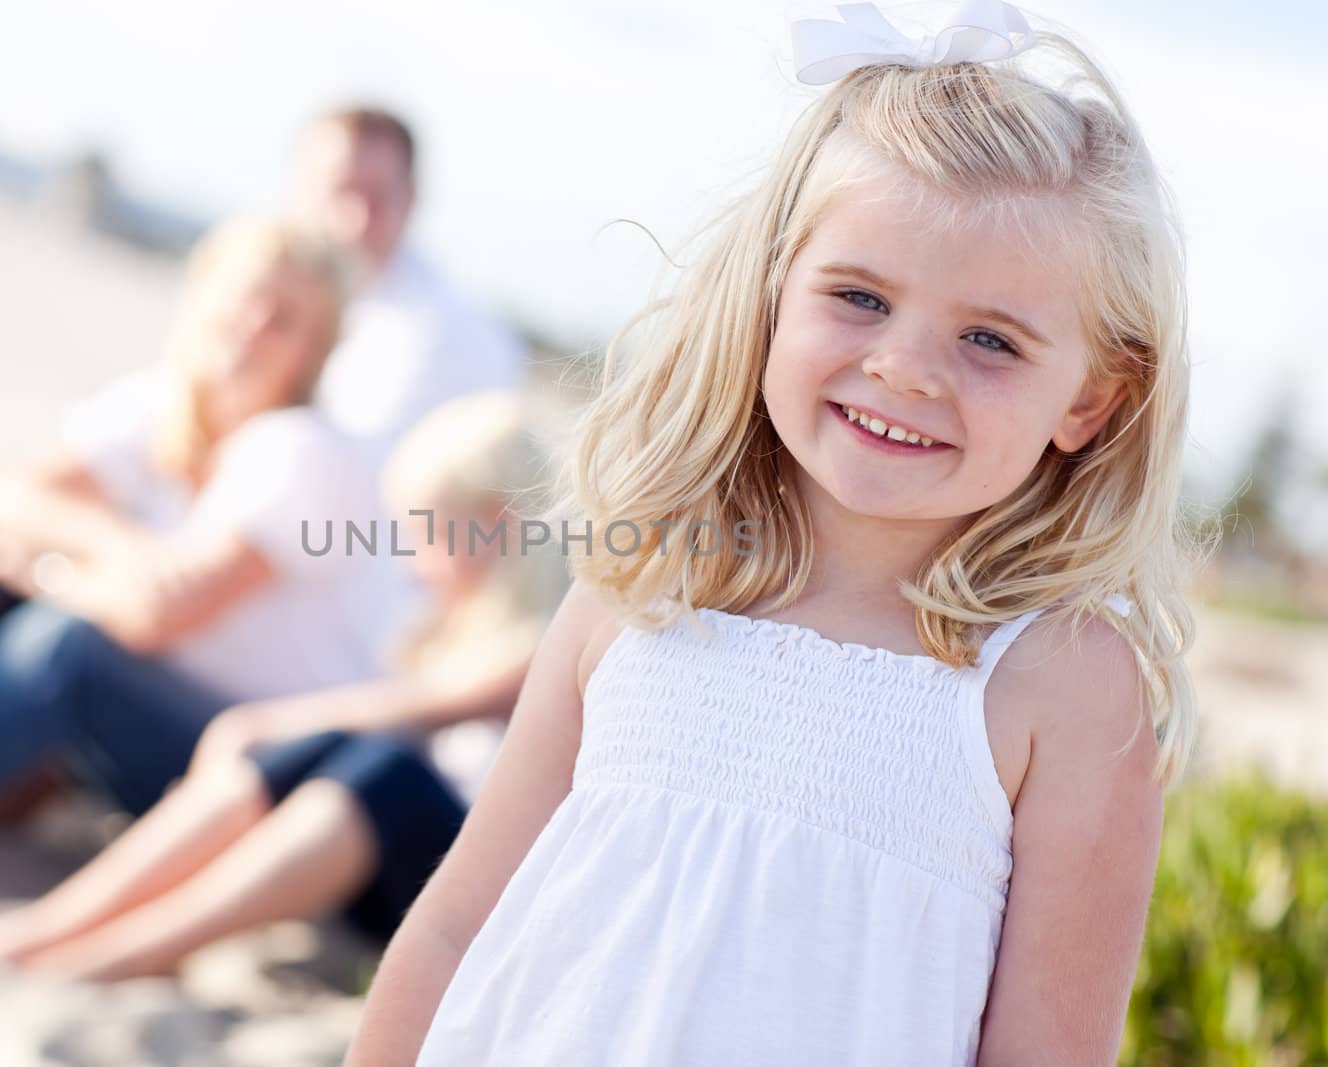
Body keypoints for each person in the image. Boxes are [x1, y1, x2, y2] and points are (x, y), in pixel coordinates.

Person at [344, 8, 1206, 1066]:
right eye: (858, 296)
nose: (902, 366)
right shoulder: (644, 588)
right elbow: (452, 924)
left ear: (1092, 400)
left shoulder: (1062, 682)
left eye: (989, 337)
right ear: (770, 296)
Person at [0, 218, 398, 841]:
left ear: (314, 352)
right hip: (153, 716)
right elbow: (5, 496)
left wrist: (47, 573)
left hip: (258, 757)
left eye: (283, 320)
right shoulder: (165, 406)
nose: (252, 331)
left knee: (70, 645)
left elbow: (162, 615)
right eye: (243, 302)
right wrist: (125, 546)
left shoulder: (303, 451)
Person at [0, 391, 563, 980]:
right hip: (406, 864)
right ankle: (59, 924)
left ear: (493, 525)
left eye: (428, 537)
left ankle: (123, 952)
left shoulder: (546, 648)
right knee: (337, 757)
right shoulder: (455, 630)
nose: (411, 562)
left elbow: (420, 710)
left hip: (475, 898)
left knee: (381, 768)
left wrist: (257, 724)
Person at [289, 107, 527, 469]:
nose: (356, 222)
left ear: (411, 198)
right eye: (340, 191)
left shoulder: (444, 333)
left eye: (378, 198)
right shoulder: (266, 298)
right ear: (299, 186)